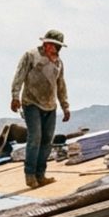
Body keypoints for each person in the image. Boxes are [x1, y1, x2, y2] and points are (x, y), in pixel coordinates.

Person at [11, 29, 71, 188]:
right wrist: (15, 96)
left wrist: (65, 106)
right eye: (54, 46)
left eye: (58, 47)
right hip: (31, 102)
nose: (56, 50)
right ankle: (30, 175)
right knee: (35, 137)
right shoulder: (31, 55)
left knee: (47, 140)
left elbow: (61, 85)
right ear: (46, 43)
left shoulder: (58, 63)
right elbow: (19, 76)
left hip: (50, 106)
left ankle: (40, 174)